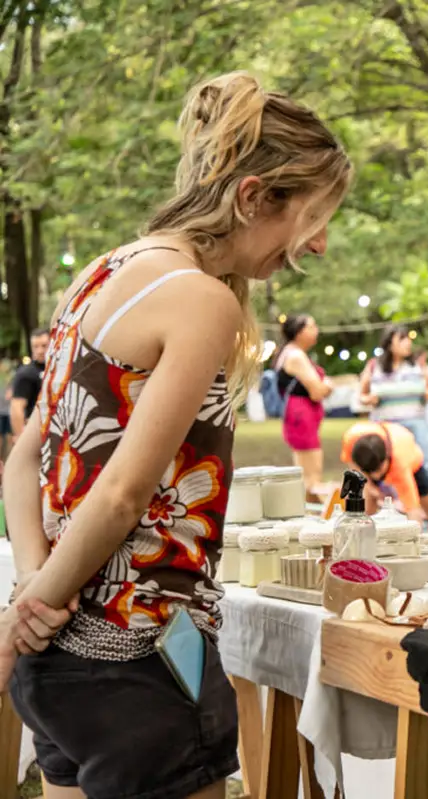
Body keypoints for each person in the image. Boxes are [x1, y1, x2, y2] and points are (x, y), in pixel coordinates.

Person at [0, 71, 351, 797]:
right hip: (144, 661)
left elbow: (26, 456)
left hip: (60, 672)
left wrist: (35, 594)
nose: (316, 246)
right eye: (313, 218)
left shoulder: (98, 274)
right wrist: (24, 615)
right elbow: (125, 494)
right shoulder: (198, 298)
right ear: (254, 196)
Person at [340, 421, 428, 529]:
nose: (376, 476)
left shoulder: (400, 464)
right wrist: (369, 486)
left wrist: (413, 541)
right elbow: (351, 462)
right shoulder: (351, 438)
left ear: (386, 457)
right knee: (364, 509)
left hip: (412, 464)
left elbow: (412, 510)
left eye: (379, 470)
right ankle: (365, 539)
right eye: (370, 472)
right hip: (375, 457)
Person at [360, 325, 428, 482]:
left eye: (408, 338)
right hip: (386, 425)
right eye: (401, 339)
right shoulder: (374, 366)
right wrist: (369, 399)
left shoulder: (417, 365)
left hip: (417, 423)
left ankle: (424, 499)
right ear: (389, 344)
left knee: (423, 463)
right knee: (387, 464)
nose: (407, 342)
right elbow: (362, 396)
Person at [277, 313, 331, 499]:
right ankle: (315, 518)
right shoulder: (296, 355)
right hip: (302, 415)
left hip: (299, 415)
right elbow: (317, 391)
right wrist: (329, 385)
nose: (316, 330)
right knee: (312, 475)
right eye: (311, 326)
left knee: (305, 473)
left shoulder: (288, 352)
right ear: (298, 332)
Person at [8, 328, 49, 438]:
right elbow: (17, 407)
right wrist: (20, 437)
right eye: (36, 346)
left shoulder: (60, 370)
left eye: (44, 346)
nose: (40, 350)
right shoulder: (26, 373)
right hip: (34, 432)